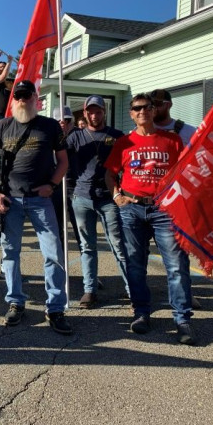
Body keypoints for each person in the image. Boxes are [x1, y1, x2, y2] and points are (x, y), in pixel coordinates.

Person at [104, 93, 196, 345]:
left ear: (154, 111)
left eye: (147, 107)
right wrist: (117, 196)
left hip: (164, 210)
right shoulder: (123, 143)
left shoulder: (173, 140)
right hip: (132, 209)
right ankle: (141, 313)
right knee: (135, 264)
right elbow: (110, 174)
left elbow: (186, 172)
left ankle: (182, 318)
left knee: (176, 264)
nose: (142, 111)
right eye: (137, 108)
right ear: (131, 114)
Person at [0, 80, 72, 334]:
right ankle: (15, 301)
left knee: (53, 253)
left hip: (40, 200)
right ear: (14, 99)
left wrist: (52, 185)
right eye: (19, 95)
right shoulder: (2, 126)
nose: (23, 99)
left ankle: (55, 307)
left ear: (36, 98)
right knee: (10, 253)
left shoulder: (49, 126)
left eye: (27, 95)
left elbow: (64, 162)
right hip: (9, 199)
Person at [66, 95, 129, 309]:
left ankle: (133, 290)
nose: (94, 115)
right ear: (84, 113)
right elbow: (58, 158)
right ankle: (90, 290)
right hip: (82, 198)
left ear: (104, 112)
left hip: (109, 198)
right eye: (90, 111)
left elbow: (130, 161)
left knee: (118, 245)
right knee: (87, 247)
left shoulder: (117, 136)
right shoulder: (74, 138)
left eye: (98, 111)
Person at [51, 105, 81, 246]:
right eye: (60, 121)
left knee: (80, 229)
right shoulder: (50, 137)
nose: (64, 124)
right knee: (57, 227)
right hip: (57, 187)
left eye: (67, 120)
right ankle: (60, 261)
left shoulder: (79, 135)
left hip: (76, 188)